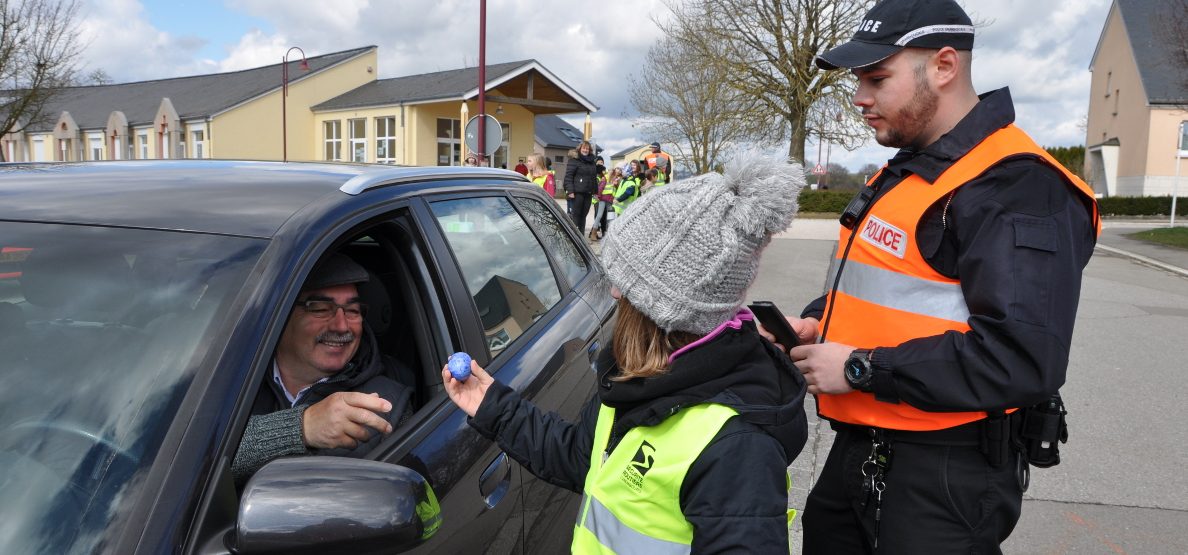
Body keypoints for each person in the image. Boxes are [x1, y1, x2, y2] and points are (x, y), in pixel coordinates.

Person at [778, 0, 1101, 552]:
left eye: (878, 79)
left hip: (946, 476)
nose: (860, 98)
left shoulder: (1018, 187)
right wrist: (816, 324)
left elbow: (1021, 358)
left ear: (945, 66)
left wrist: (859, 368)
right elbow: (896, 287)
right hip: (864, 449)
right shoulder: (910, 169)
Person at [443, 155, 809, 552]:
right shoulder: (643, 376)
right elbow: (579, 458)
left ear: (667, 309)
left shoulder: (736, 450)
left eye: (625, 282)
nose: (614, 292)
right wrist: (493, 407)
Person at [231, 253, 415, 486]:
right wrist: (301, 427)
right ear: (280, 315)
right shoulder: (229, 379)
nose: (341, 326)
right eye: (320, 309)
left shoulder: (389, 405)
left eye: (353, 311)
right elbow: (192, 460)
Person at [564, 142, 600, 233]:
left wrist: (595, 192)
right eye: (584, 148)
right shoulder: (574, 160)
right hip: (577, 193)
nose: (585, 150)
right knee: (576, 216)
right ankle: (574, 237)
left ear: (590, 150)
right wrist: (570, 191)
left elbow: (594, 178)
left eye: (587, 149)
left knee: (583, 216)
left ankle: (581, 237)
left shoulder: (592, 162)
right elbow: (568, 176)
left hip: (588, 193)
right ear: (580, 149)